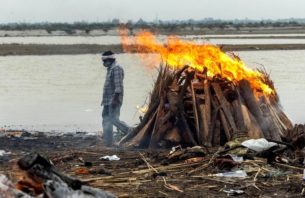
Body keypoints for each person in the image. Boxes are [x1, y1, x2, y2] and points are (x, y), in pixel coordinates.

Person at [101, 51, 129, 146]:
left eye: (104, 61)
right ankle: (108, 142)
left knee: (114, 119)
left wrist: (114, 99)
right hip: (107, 100)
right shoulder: (110, 68)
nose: (103, 63)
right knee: (105, 119)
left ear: (109, 59)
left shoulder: (116, 68)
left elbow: (118, 87)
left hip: (113, 100)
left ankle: (131, 132)